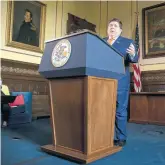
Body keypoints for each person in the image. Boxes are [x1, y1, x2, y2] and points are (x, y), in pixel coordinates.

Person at [104, 18, 138, 146]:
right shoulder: (101, 41)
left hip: (120, 82)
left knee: (120, 111)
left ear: (120, 30)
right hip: (100, 81)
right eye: (110, 25)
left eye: (115, 26)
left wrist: (133, 54)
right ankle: (103, 136)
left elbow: (133, 58)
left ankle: (121, 138)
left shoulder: (127, 42)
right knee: (102, 110)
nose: (112, 27)